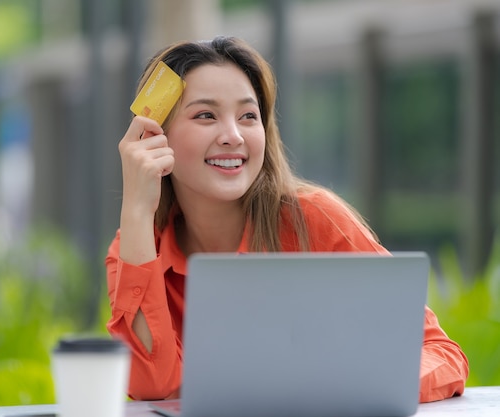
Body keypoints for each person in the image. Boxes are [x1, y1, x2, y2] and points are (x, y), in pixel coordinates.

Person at [105, 36, 468, 403]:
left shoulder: (316, 221)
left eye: (249, 116)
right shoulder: (135, 248)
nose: (233, 136)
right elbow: (150, 383)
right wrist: (136, 208)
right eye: (205, 115)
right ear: (155, 136)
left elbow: (440, 354)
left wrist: (339, 386)